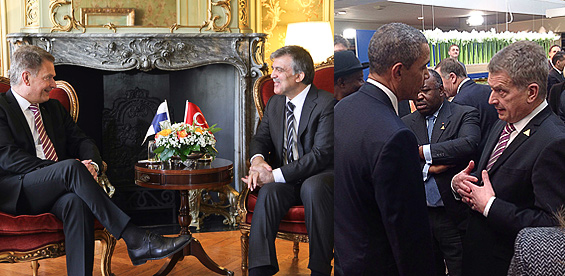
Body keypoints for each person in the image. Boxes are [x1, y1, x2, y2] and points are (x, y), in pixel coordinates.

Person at [0, 45, 190, 276]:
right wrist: (62, 171)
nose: (54, 84)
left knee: (76, 203)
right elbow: (9, 158)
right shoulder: (2, 107)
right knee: (70, 168)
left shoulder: (53, 109)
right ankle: (135, 237)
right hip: (17, 191)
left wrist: (93, 164)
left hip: (56, 189)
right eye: (48, 77)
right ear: (26, 77)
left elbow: (83, 141)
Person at [452, 40, 565, 276]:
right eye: (492, 89)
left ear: (531, 92)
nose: (491, 99)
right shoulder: (504, 121)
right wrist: (462, 183)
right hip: (477, 254)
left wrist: (490, 206)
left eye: (501, 91)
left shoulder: (554, 141)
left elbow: (552, 227)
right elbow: (493, 176)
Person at [334, 22, 435, 276]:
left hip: (348, 258)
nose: (426, 76)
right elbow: (407, 231)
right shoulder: (396, 136)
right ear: (398, 71)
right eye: (423, 67)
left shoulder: (342, 109)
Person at [242, 45, 334, 276]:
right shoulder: (275, 103)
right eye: (273, 68)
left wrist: (272, 175)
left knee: (312, 188)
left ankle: (320, 269)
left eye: (279, 70)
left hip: (320, 176)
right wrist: (258, 162)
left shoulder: (325, 103)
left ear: (299, 76)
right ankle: (260, 269)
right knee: (269, 191)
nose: (272, 74)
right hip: (288, 178)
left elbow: (321, 155)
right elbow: (260, 139)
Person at [402, 69, 480, 276]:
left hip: (453, 215)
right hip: (420, 216)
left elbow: (467, 145)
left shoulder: (464, 113)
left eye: (425, 90)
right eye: (416, 91)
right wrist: (430, 166)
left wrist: (421, 152)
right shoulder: (405, 123)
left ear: (441, 91)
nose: (419, 96)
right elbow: (400, 162)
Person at [435, 58, 498, 161]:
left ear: (452, 77)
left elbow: (461, 145)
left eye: (440, 81)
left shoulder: (459, 103)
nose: (439, 87)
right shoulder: (488, 91)